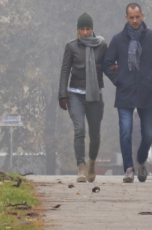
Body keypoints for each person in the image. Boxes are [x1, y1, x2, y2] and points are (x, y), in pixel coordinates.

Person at [103, 2, 152, 183]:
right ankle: (129, 169)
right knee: (125, 131)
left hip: (147, 92)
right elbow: (107, 64)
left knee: (148, 134)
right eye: (131, 17)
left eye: (137, 17)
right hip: (125, 92)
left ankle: (141, 159)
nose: (134, 20)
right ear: (126, 18)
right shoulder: (118, 40)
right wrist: (119, 80)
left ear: (142, 16)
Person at [58, 12, 108, 183]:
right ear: (78, 30)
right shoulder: (71, 47)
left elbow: (107, 67)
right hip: (75, 95)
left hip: (95, 96)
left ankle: (91, 162)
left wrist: (117, 72)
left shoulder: (101, 45)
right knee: (79, 130)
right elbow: (65, 70)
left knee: (95, 134)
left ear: (92, 29)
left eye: (88, 29)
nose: (85, 33)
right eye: (82, 29)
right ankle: (80, 167)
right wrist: (62, 94)